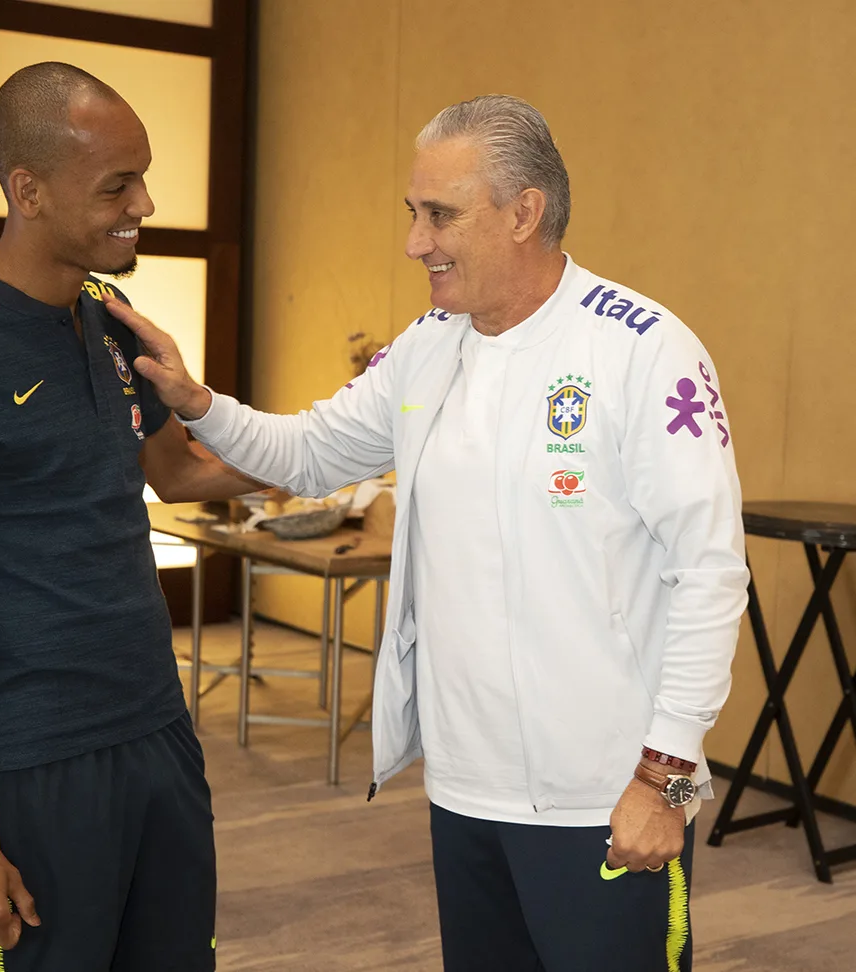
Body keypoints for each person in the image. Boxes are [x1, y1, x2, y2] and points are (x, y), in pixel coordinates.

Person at [105, 95, 749, 971]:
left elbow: (710, 573)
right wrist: (195, 402)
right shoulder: (428, 345)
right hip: (464, 790)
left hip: (602, 799)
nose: (415, 241)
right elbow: (311, 448)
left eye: (439, 214)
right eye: (413, 213)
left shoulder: (644, 351)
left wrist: (664, 780)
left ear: (525, 212)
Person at [0, 62, 261, 971]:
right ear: (25, 189)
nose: (144, 202)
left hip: (157, 736)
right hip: (29, 764)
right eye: (117, 184)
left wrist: (350, 446)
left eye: (143, 176)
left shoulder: (109, 319)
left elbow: (180, 472)